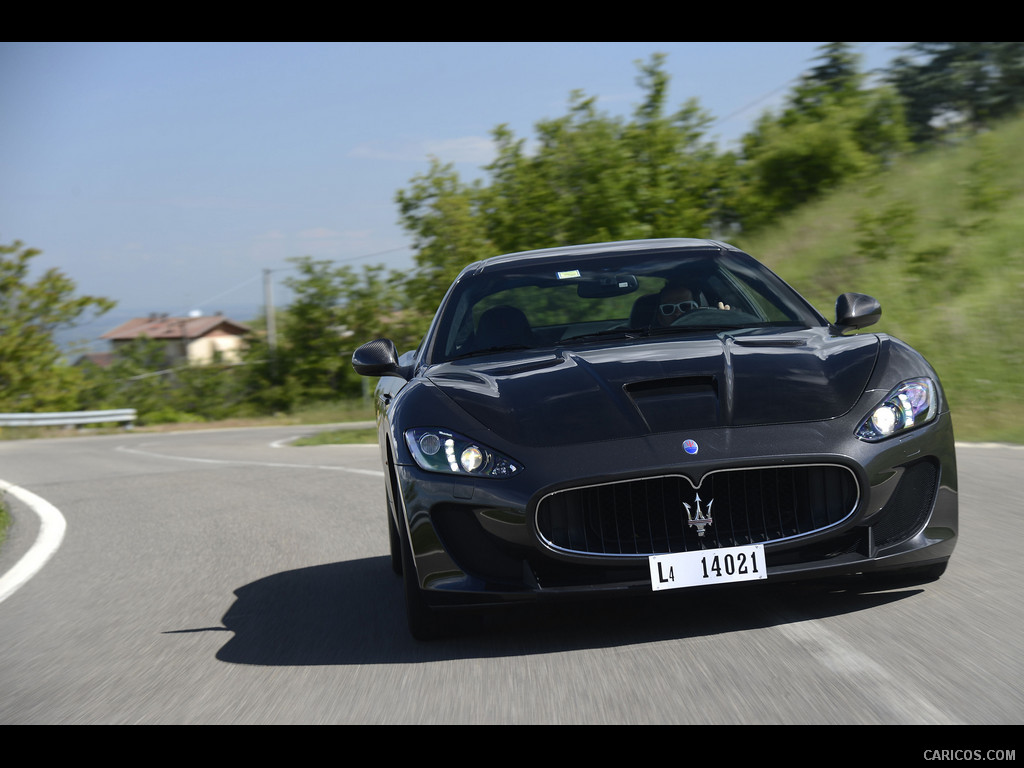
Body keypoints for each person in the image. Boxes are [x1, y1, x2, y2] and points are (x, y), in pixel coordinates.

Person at [655, 281, 730, 327]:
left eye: (685, 306)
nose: (677, 313)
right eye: (668, 309)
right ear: (660, 318)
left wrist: (725, 322)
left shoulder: (716, 333)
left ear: (698, 309)